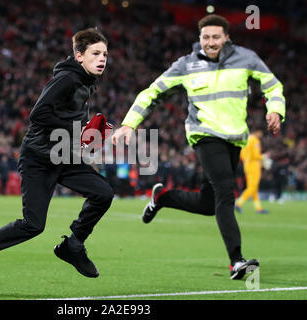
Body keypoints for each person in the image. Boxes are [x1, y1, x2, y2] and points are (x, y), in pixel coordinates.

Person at [112, 14, 285, 280]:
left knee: (208, 203)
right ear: (199, 38)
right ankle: (236, 262)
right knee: (226, 193)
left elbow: (273, 86)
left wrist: (275, 110)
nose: (210, 42)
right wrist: (129, 124)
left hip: (234, 138)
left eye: (216, 36)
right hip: (203, 135)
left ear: (226, 37)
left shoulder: (246, 58)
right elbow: (152, 92)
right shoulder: (186, 65)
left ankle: (162, 198)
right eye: (206, 37)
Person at [0, 28, 114, 290]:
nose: (102, 59)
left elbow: (65, 119)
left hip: (62, 155)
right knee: (33, 225)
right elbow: (38, 114)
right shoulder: (67, 79)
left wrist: (85, 131)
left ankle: (73, 246)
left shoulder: (86, 80)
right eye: (95, 53)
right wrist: (77, 131)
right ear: (79, 56)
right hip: (39, 158)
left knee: (103, 193)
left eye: (105, 54)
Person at [235, 129, 269, 214]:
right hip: (254, 166)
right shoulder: (255, 140)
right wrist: (264, 157)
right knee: (252, 187)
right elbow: (256, 155)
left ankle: (258, 208)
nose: (261, 135)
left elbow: (241, 155)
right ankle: (239, 203)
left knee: (254, 187)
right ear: (258, 132)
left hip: (247, 165)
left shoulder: (246, 140)